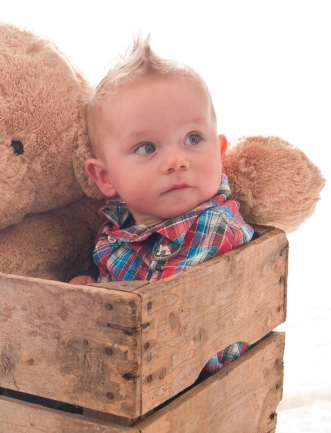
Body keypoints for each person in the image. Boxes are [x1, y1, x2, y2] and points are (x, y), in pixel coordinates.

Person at [70, 36, 254, 375]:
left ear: (220, 150)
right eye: (146, 148)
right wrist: (92, 290)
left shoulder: (212, 225)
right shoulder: (120, 223)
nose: (175, 160)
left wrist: (103, 303)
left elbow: (161, 312)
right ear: (105, 177)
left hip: (184, 376)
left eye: (193, 139)